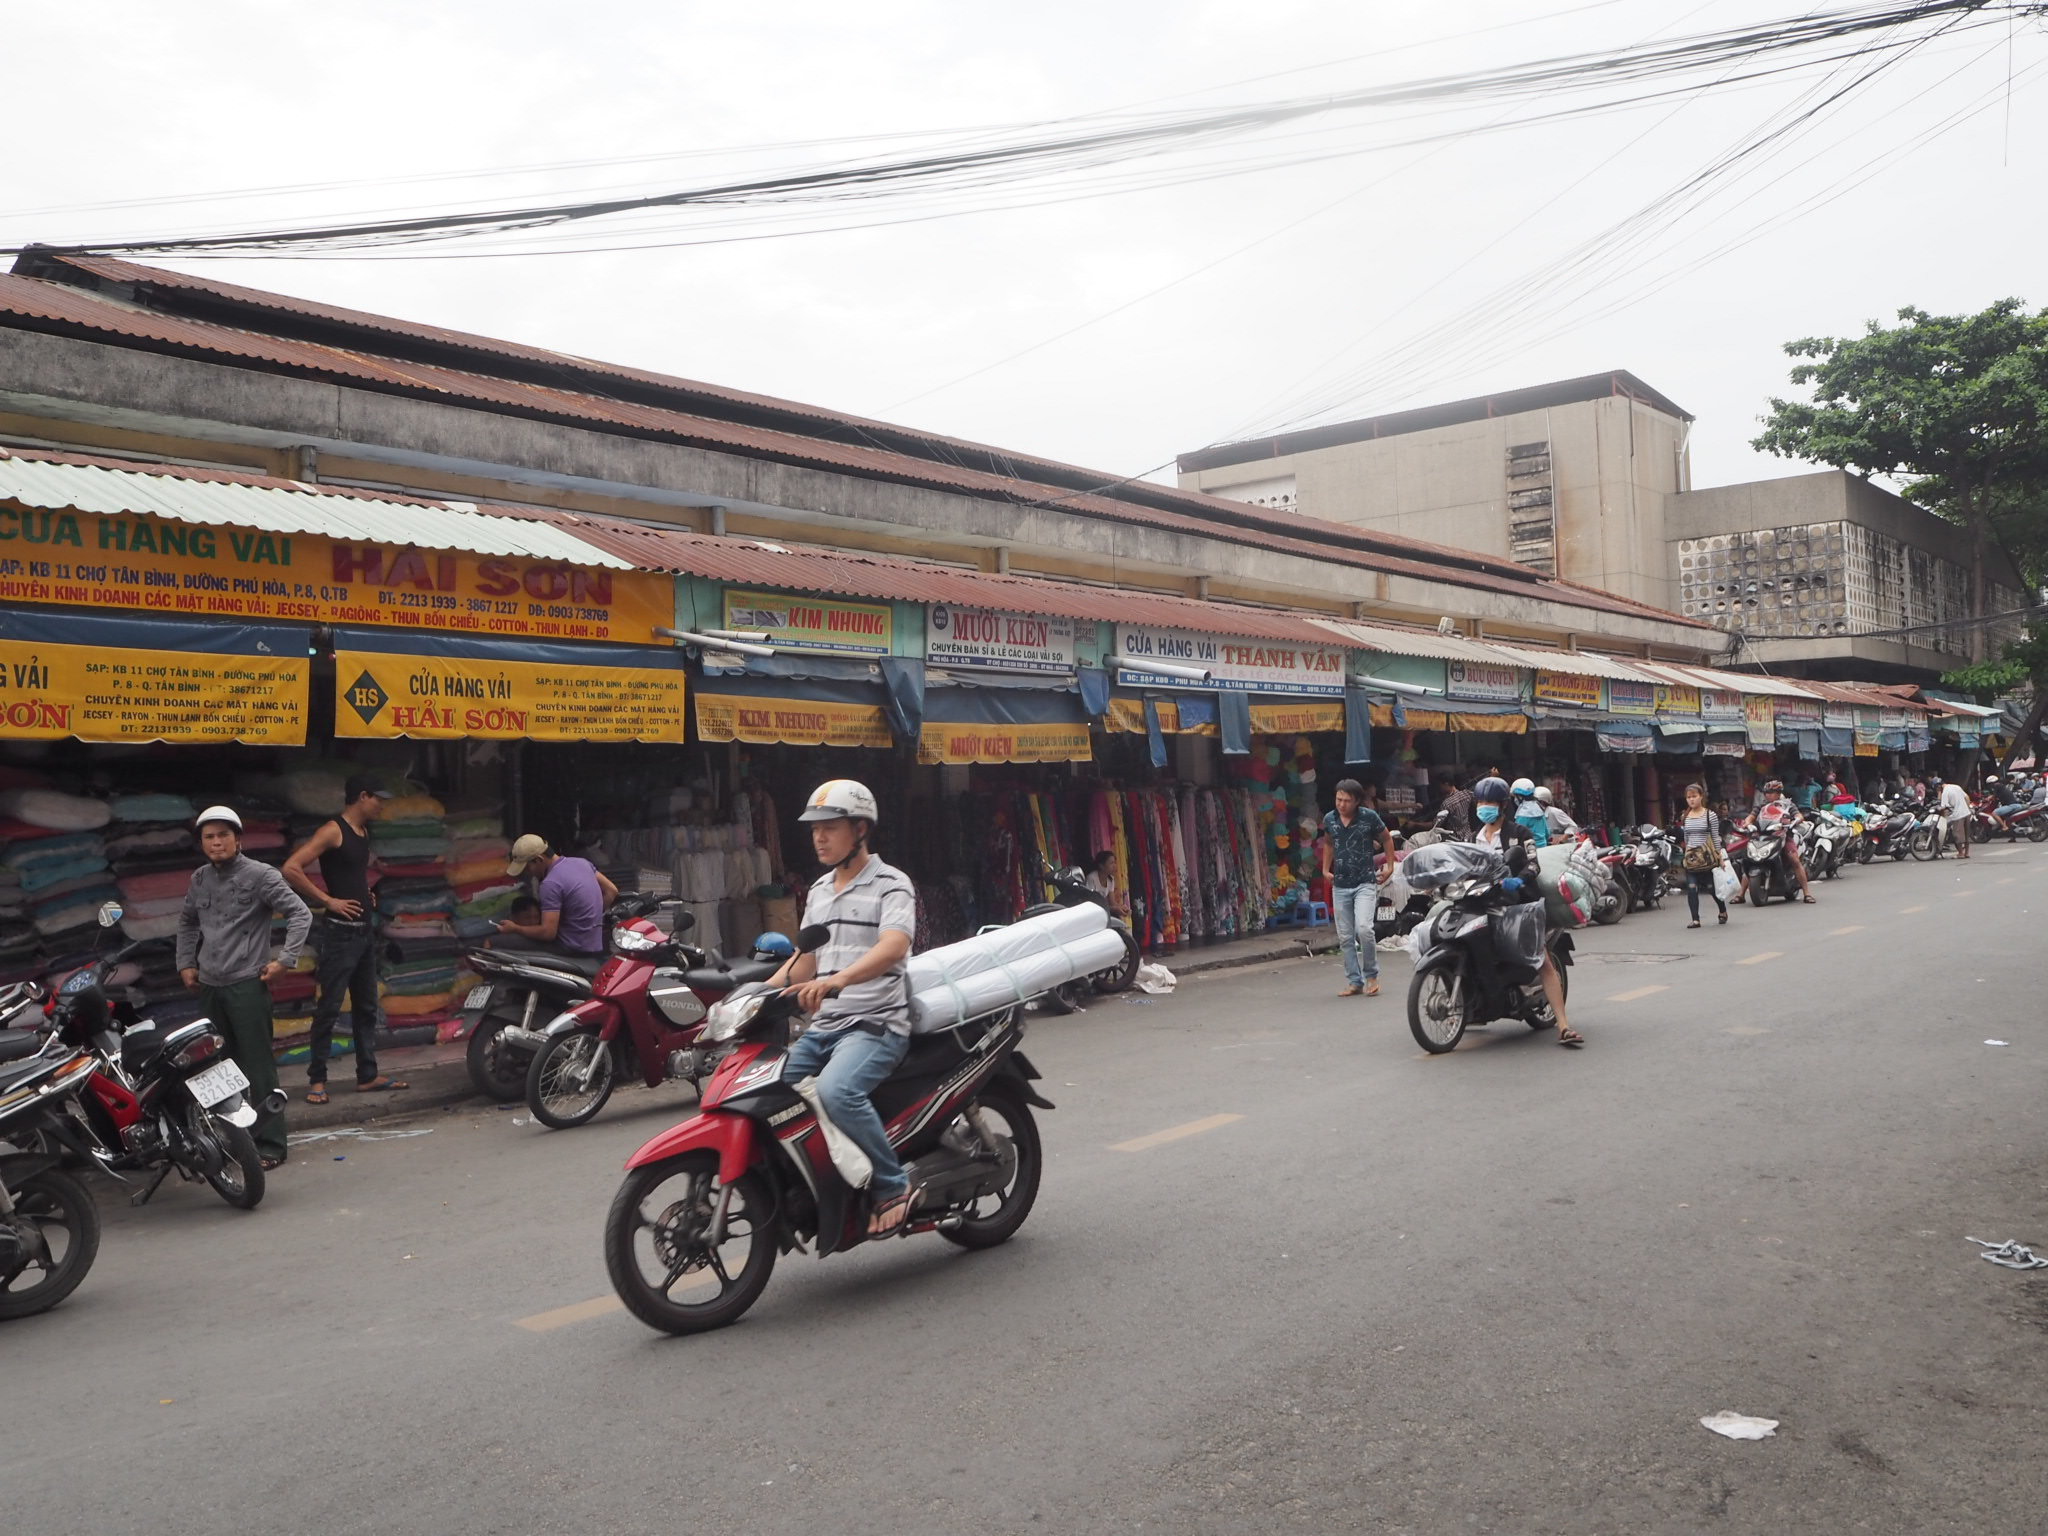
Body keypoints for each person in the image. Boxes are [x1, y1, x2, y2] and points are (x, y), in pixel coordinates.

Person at [765, 780, 919, 1237]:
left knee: (837, 1091)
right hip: (824, 1027)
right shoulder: (818, 890)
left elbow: (895, 946)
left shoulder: (893, 883)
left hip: (876, 1024)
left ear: (860, 829)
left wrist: (841, 979)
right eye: (815, 829)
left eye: (830, 827)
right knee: (773, 1092)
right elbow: (804, 962)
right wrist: (752, 994)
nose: (819, 837)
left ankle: (893, 1184)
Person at [177, 806, 311, 1171]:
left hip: (247, 986)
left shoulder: (261, 876)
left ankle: (270, 1145)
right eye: (209, 836)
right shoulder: (199, 879)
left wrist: (285, 961)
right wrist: (186, 963)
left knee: (256, 1066)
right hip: (210, 986)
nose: (216, 842)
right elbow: (188, 922)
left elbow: (301, 913)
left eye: (223, 835)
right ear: (202, 843)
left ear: (238, 840)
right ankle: (236, 1140)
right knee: (218, 1068)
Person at [281, 775, 407, 1105]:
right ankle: (317, 1080)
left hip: (364, 932)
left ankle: (367, 1074)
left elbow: (350, 874)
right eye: (378, 798)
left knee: (366, 1006)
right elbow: (291, 868)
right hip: (339, 932)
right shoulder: (333, 830)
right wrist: (328, 900)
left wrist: (364, 895)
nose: (381, 805)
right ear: (362, 796)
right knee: (329, 1006)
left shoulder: (364, 833)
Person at [1471, 776, 1581, 1048]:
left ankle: (1564, 1025)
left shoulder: (1520, 833)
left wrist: (1519, 879)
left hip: (1519, 902)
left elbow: (1533, 864)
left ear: (1502, 805)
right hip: (1485, 902)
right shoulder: (1475, 837)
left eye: (1490, 802)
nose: (1484, 807)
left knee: (1542, 960)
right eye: (1481, 802)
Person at [1320, 778, 1394, 999]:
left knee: (1364, 928)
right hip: (1340, 884)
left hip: (1365, 882)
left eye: (1346, 800)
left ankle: (1371, 975)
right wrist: (1325, 869)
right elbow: (1329, 843)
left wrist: (1390, 866)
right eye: (1338, 799)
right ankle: (1354, 981)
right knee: (1345, 936)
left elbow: (1387, 839)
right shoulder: (1330, 819)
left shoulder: (1369, 817)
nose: (1341, 804)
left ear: (1357, 801)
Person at [497, 834, 617, 953]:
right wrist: (589, 917)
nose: (529, 873)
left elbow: (548, 933)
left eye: (528, 868)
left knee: (502, 942)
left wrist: (516, 928)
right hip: (595, 944)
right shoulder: (582, 863)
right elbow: (611, 891)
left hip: (571, 947)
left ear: (539, 859)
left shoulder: (550, 883)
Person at [1676, 782, 1731, 928]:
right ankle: (1695, 919)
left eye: (1694, 796)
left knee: (1711, 887)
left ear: (1701, 797)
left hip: (1707, 857)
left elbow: (1715, 837)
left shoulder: (1710, 815)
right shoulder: (1686, 816)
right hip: (1692, 858)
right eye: (1688, 797)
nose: (1691, 800)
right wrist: (1686, 853)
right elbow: (1686, 837)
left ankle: (1722, 910)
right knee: (1692, 887)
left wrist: (1720, 856)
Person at [1754, 780, 1817, 902]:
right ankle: (1740, 894)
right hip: (1763, 837)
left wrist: (1795, 820)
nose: (1767, 795)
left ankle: (1807, 893)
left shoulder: (1787, 804)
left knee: (1794, 859)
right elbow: (1751, 816)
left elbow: (1799, 815)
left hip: (1783, 836)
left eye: (1771, 792)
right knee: (1753, 859)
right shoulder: (1761, 805)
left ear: (1778, 793)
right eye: (1766, 792)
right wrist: (1746, 824)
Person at [1934, 774, 1972, 859]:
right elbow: (1967, 797)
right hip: (1967, 813)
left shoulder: (1945, 793)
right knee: (1966, 834)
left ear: (1938, 787)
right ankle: (1967, 853)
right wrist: (1967, 808)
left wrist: (1943, 819)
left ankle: (1961, 853)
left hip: (1957, 816)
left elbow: (1943, 807)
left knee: (1957, 835)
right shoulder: (1956, 787)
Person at [1082, 849, 1129, 918]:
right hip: (1092, 913)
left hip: (1103, 910)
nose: (1114, 866)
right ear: (1101, 866)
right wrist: (1113, 909)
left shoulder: (1111, 880)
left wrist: (1122, 908)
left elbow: (1112, 902)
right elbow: (1091, 904)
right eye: (1111, 863)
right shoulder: (1091, 878)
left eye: (1114, 863)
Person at [1433, 773, 1475, 841]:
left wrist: (1416, 824)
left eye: (1440, 785)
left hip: (1455, 839)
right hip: (1469, 836)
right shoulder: (1466, 794)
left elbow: (1436, 824)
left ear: (1446, 784)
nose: (1440, 788)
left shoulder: (1447, 803)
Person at [1510, 777, 1550, 847]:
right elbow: (1547, 832)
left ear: (1520, 796)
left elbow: (1517, 835)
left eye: (1516, 796)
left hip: (1530, 851)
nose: (1515, 799)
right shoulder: (1539, 809)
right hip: (1543, 848)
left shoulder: (1523, 814)